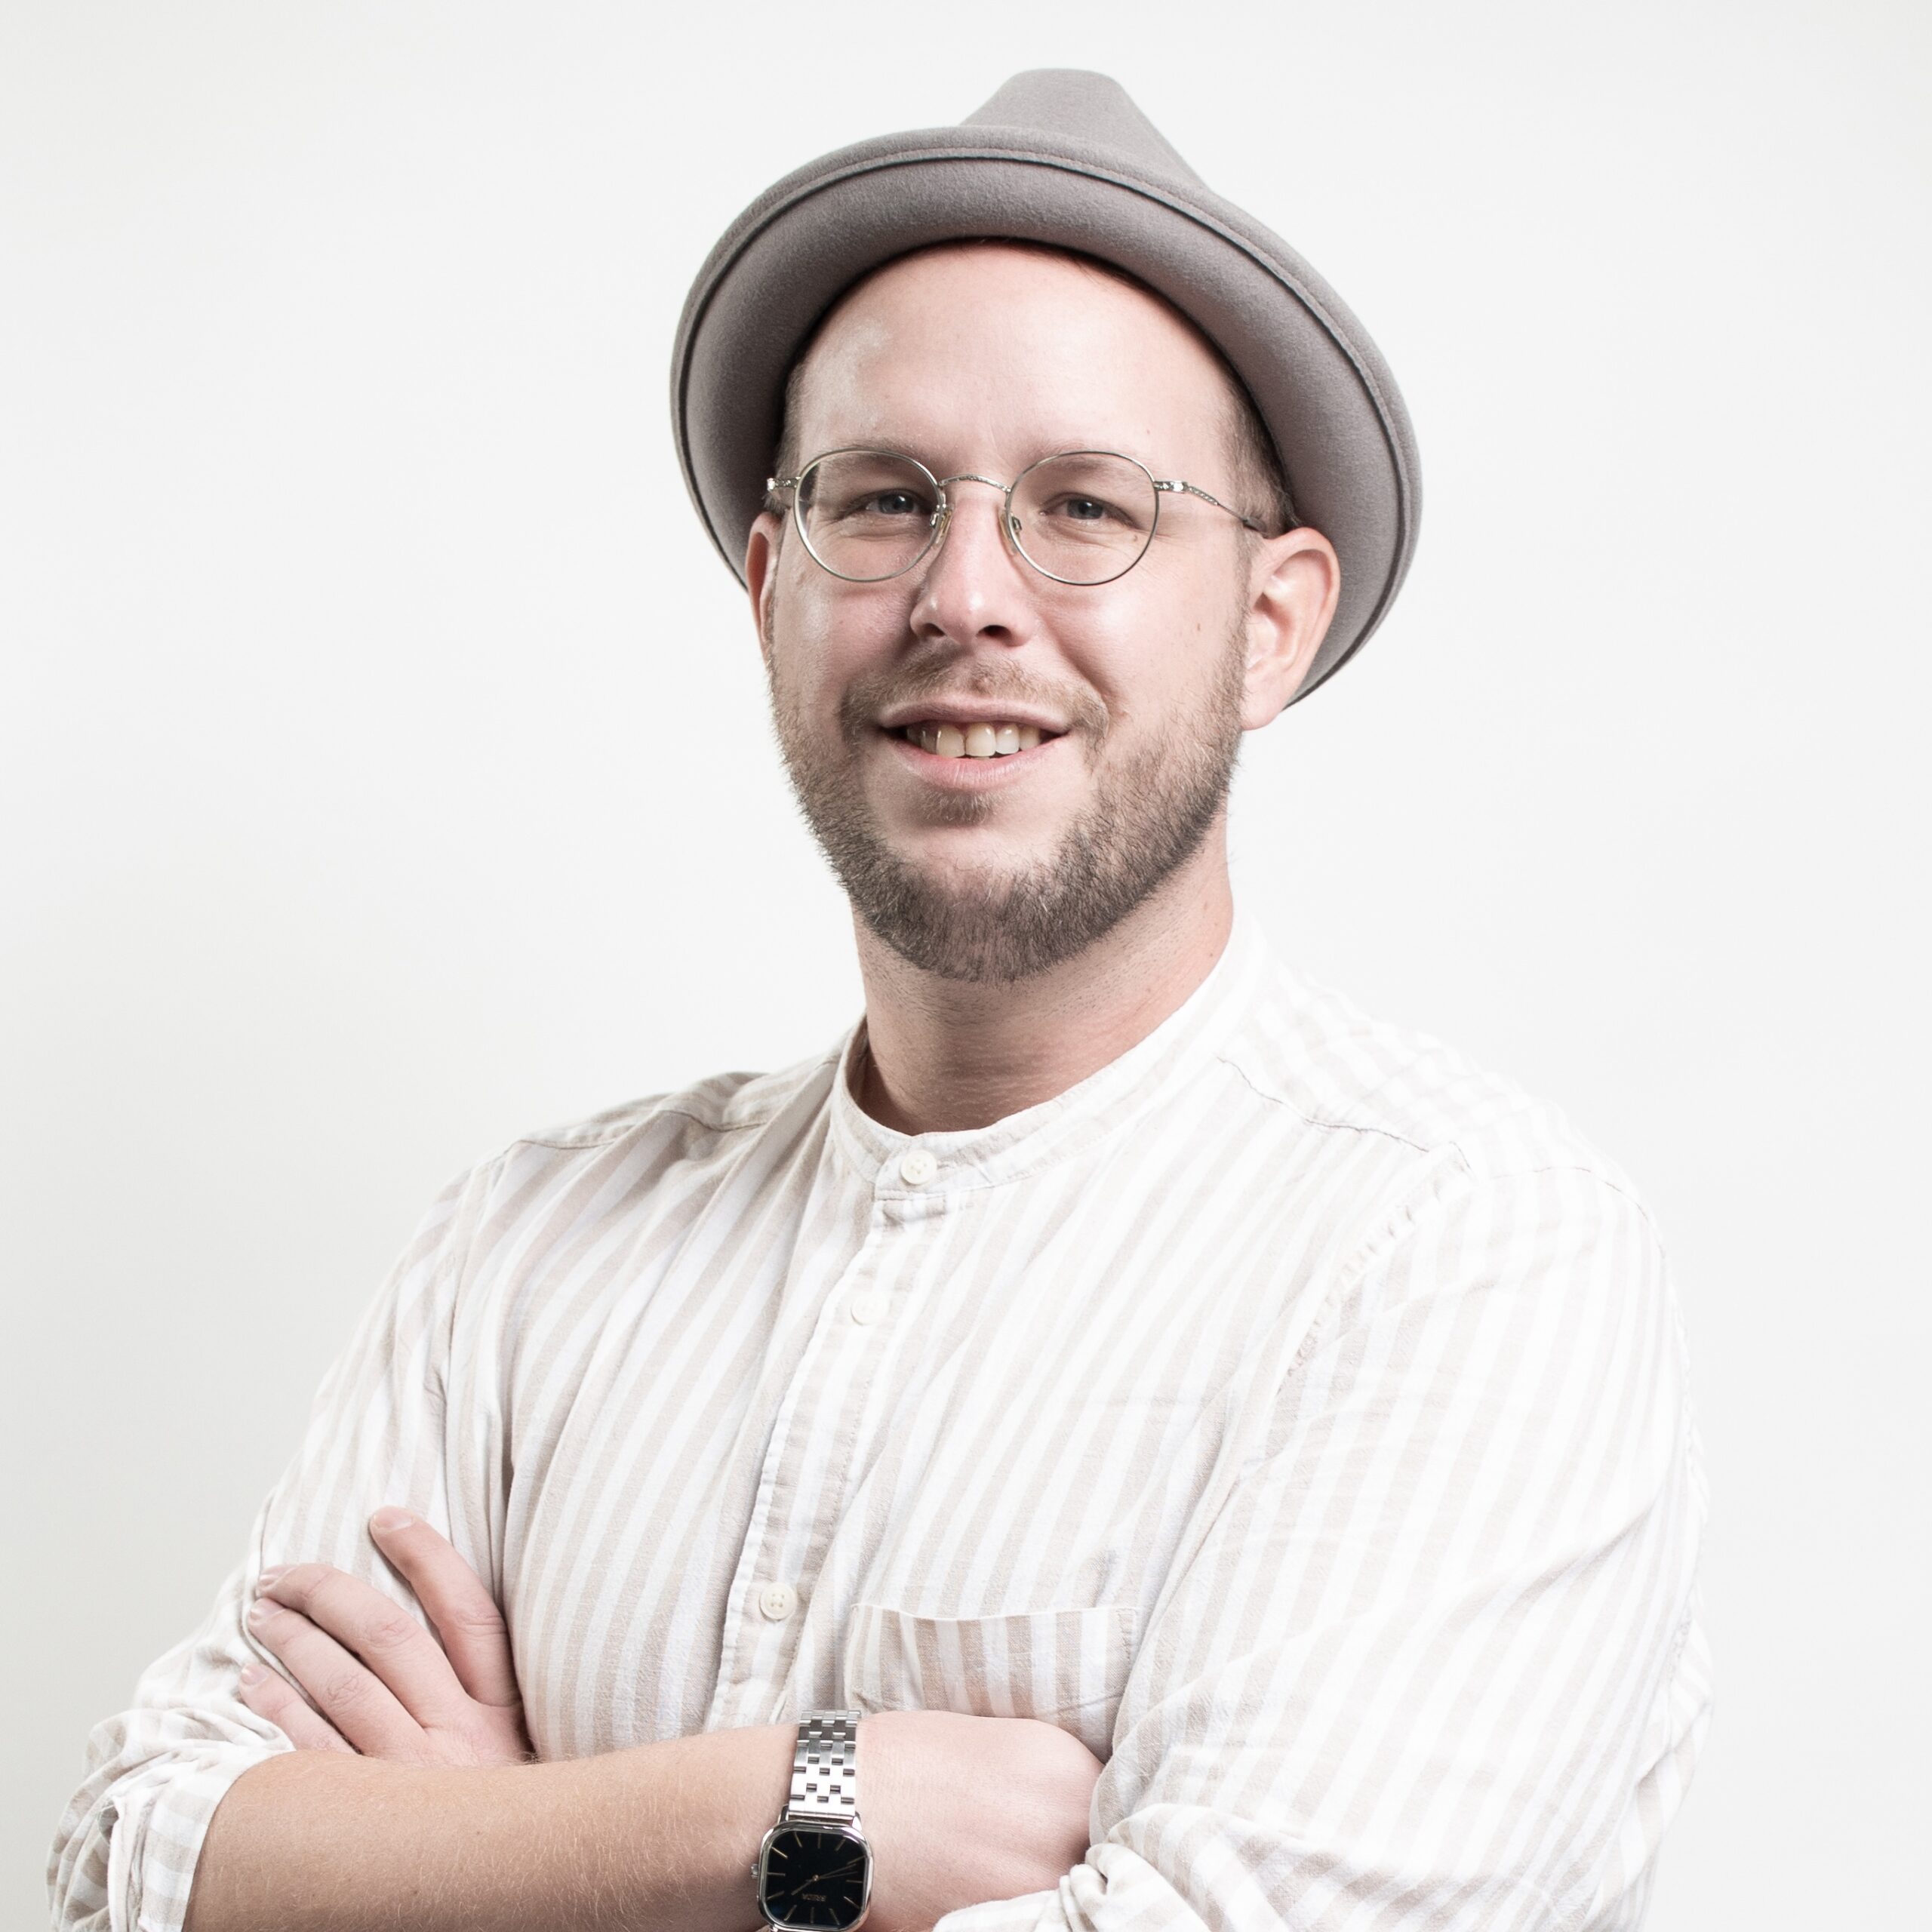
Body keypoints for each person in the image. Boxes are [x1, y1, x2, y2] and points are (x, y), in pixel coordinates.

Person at [50, 69, 1712, 1932]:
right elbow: (130, 1862)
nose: (963, 595)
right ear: (771, 583)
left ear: (1267, 622)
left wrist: (472, 1856)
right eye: (885, 498)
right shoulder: (525, 1248)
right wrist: (786, 1812)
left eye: (1087, 505)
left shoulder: (1462, 1255)